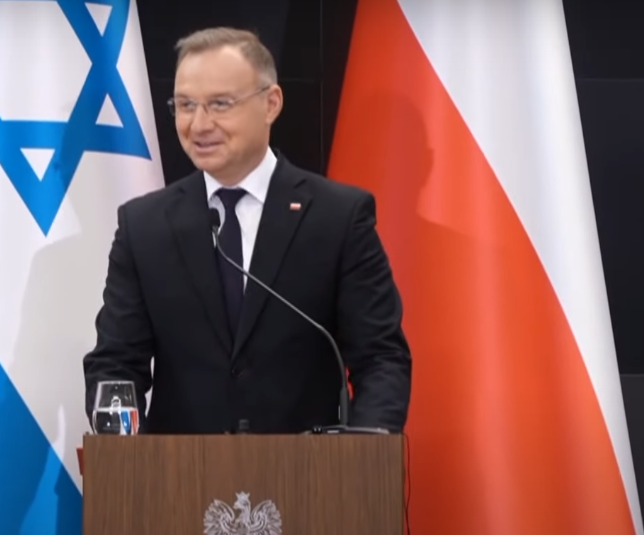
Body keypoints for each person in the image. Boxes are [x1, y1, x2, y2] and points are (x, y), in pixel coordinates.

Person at [82, 27, 411, 434]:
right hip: (177, 471)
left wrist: (362, 455)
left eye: (220, 104)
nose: (199, 124)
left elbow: (380, 359)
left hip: (311, 470)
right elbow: (115, 364)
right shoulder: (144, 226)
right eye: (185, 105)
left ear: (271, 104)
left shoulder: (338, 217)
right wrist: (127, 454)